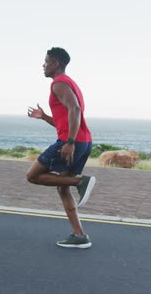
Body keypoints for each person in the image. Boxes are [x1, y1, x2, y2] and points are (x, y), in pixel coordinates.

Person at [26, 47, 96, 249]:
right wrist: (44, 117)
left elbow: (75, 109)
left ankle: (80, 181)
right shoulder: (69, 83)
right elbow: (66, 119)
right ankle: (79, 235)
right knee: (61, 186)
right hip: (83, 141)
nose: (43, 65)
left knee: (32, 176)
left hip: (72, 142)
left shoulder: (59, 83)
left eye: (46, 61)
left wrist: (70, 142)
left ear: (56, 63)